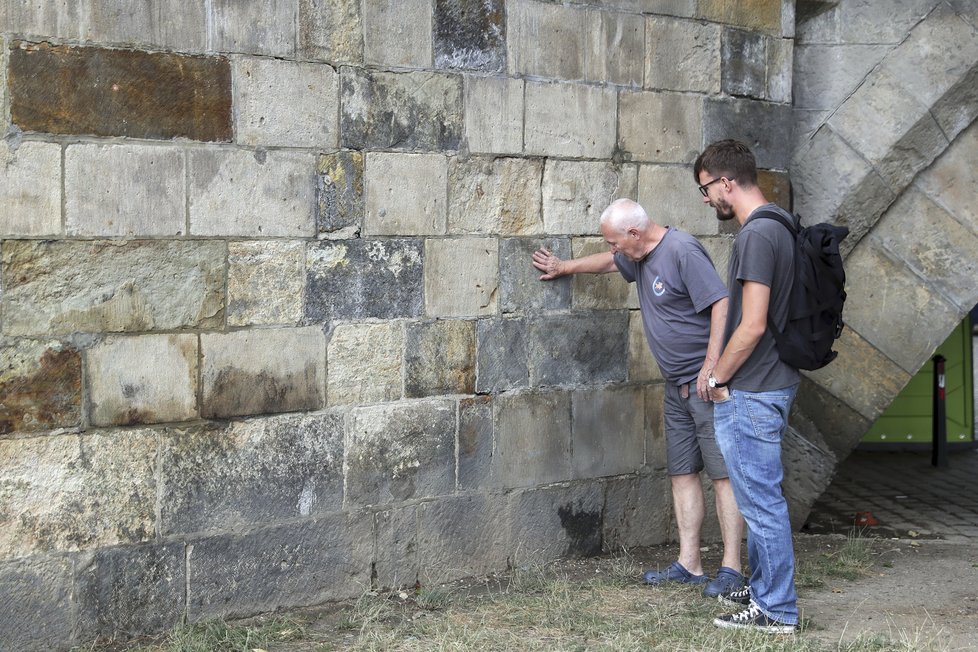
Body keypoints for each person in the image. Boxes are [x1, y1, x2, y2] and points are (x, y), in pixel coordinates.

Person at [532, 198, 745, 601]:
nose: (612, 249)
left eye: (614, 241)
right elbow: (611, 263)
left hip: (705, 387)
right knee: (682, 473)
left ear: (634, 233)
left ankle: (732, 568)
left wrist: (712, 367)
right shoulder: (637, 254)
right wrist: (564, 267)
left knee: (723, 477)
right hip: (675, 388)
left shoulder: (681, 250)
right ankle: (690, 564)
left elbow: (721, 303)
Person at [694, 139, 801, 634]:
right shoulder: (782, 223)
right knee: (761, 498)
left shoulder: (756, 236)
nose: (706, 199)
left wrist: (718, 377)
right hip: (773, 381)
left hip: (753, 389)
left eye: (706, 189)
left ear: (726, 183)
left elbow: (753, 324)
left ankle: (776, 610)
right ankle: (761, 592)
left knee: (761, 503)